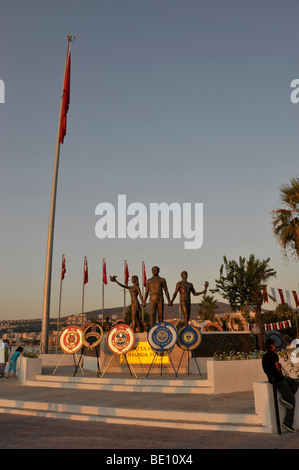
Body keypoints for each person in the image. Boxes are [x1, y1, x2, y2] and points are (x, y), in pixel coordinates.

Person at [262, 338, 299, 433]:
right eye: (274, 345)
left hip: (273, 379)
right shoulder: (273, 354)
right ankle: (287, 422)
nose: (275, 347)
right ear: (271, 346)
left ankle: (285, 397)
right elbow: (277, 366)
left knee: (295, 382)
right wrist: (279, 370)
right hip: (278, 379)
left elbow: (268, 368)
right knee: (292, 400)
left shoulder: (264, 356)